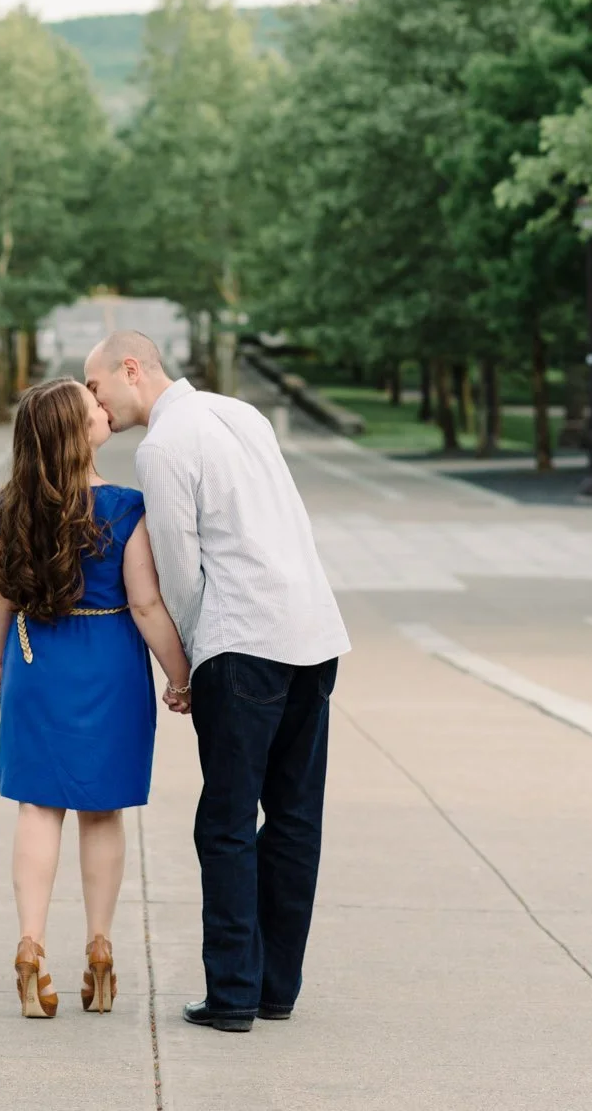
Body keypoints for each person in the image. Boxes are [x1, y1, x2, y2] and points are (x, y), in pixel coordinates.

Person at [85, 331, 351, 1034]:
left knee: (226, 822)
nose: (94, 401)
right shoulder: (244, 415)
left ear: (131, 370)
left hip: (245, 642)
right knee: (295, 817)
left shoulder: (163, 446)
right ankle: (275, 988)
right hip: (314, 632)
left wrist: (194, 665)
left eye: (95, 385)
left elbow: (180, 568)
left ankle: (232, 993)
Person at [0, 376, 192, 1019]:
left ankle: (29, 947)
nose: (104, 410)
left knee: (38, 808)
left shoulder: (8, 508)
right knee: (102, 814)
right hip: (109, 665)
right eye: (92, 407)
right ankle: (100, 952)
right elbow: (147, 603)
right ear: (80, 434)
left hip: (34, 662)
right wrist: (180, 674)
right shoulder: (127, 507)